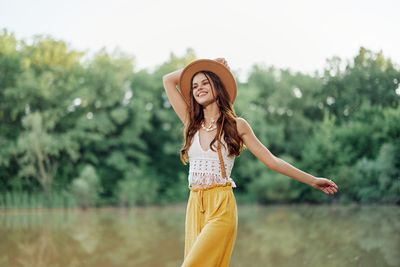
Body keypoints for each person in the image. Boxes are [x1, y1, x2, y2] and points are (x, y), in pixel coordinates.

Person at [162, 58, 339, 267]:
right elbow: (168, 80)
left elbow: (272, 161)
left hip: (221, 206)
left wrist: (312, 180)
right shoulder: (191, 122)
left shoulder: (237, 125)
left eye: (205, 83)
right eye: (194, 86)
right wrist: (207, 65)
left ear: (217, 86)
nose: (199, 89)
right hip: (195, 204)